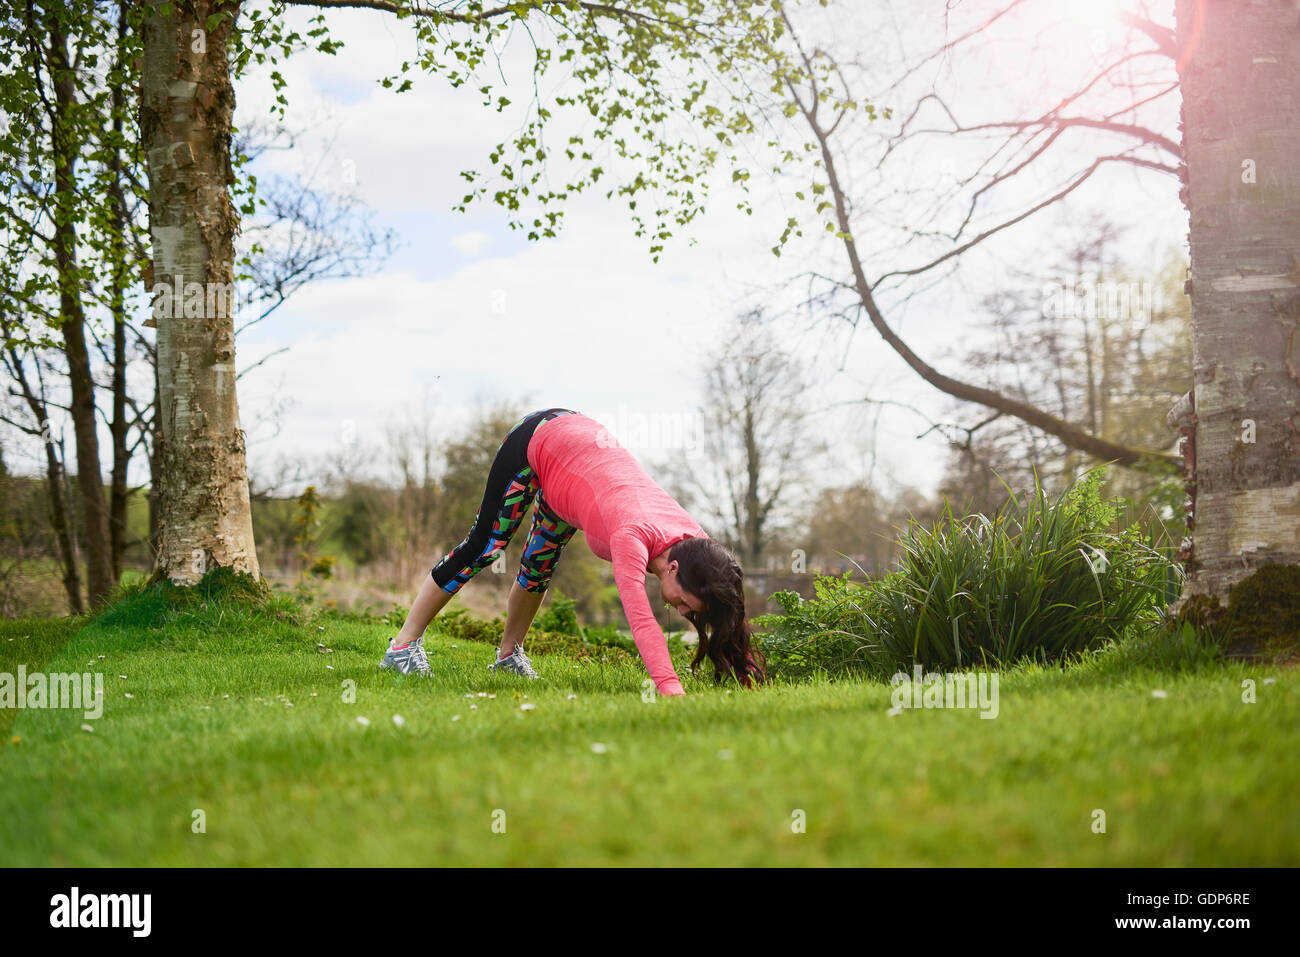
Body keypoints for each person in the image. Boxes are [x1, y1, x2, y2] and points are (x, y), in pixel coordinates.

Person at [380, 407, 767, 695]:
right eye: (684, 604)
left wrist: (745, 669)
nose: (682, 613)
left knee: (538, 568)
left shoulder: (699, 545)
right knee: (486, 546)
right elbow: (642, 621)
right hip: (542, 439)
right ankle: (401, 646)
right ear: (673, 569)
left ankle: (508, 656)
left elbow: (728, 600)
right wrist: (670, 688)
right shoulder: (633, 537)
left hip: (575, 474)